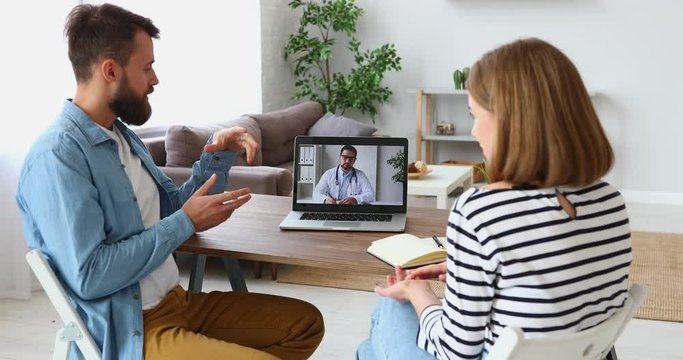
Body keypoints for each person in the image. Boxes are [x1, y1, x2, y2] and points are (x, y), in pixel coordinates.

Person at [15, 4, 323, 359]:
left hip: (178, 302)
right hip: (134, 328)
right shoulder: (58, 157)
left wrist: (216, 156)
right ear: (110, 70)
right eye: (146, 68)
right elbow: (91, 275)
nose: (155, 79)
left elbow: (170, 211)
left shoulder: (120, 136)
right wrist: (185, 220)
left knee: (305, 323)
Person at [356, 37, 632, 360]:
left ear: (511, 123)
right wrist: (465, 269)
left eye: (475, 114)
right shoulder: (611, 203)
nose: (473, 131)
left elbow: (456, 352)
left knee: (389, 310)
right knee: (370, 349)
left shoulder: (479, 212)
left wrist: (420, 294)